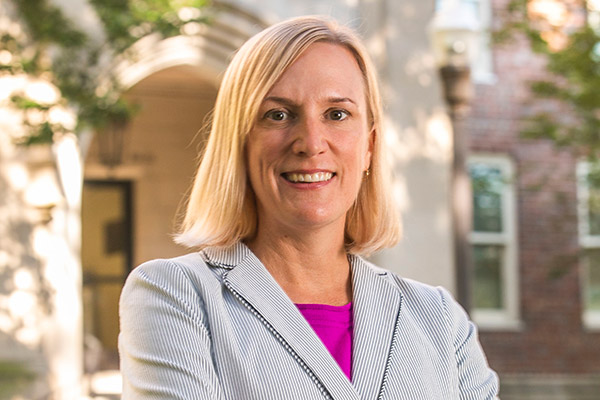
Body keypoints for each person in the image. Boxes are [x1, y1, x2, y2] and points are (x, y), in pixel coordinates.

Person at [119, 15, 499, 399]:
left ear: (368, 146)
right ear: (240, 144)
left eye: (337, 114)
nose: (311, 142)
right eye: (278, 115)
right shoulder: (175, 297)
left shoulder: (438, 319)